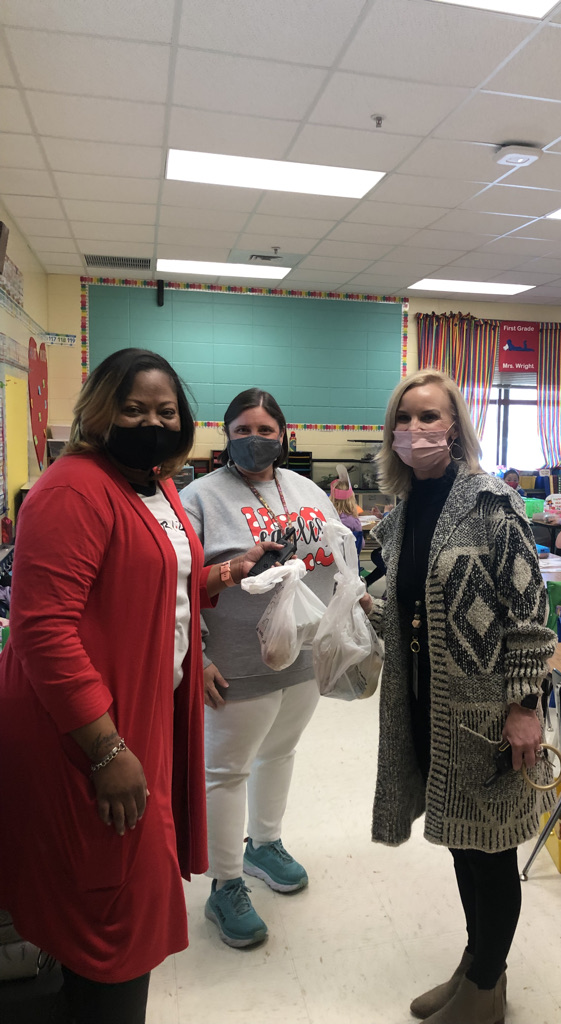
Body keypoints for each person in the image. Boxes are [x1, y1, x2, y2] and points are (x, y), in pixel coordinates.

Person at [0, 349, 279, 1024]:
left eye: (165, 410)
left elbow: (154, 579)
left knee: (115, 891)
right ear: (99, 411)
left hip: (139, 715)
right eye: (132, 408)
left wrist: (225, 573)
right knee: (110, 910)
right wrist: (105, 749)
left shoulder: (152, 485)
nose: (150, 421)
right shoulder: (71, 490)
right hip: (85, 729)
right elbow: (44, 633)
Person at [359, 369, 557, 1024]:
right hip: (428, 705)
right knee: (462, 843)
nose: (417, 430)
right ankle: (476, 969)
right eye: (406, 418)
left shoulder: (491, 506)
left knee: (490, 851)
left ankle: (486, 985)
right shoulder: (403, 514)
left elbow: (530, 612)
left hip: (488, 713)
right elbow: (408, 597)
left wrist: (525, 707)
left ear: (455, 428)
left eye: (431, 417)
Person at [180, 388, 342, 949]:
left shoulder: (307, 490)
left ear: (283, 435)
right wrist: (195, 654)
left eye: (266, 429)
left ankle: (264, 845)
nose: (256, 438)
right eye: (243, 428)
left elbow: (336, 552)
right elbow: (178, 587)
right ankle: (224, 885)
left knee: (279, 752)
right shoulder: (199, 497)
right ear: (226, 433)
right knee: (226, 772)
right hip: (233, 664)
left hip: (300, 658)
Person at [329, 466, 364, 563]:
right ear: (351, 499)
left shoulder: (327, 517)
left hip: (329, 562)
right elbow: (361, 544)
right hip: (349, 564)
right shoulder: (353, 521)